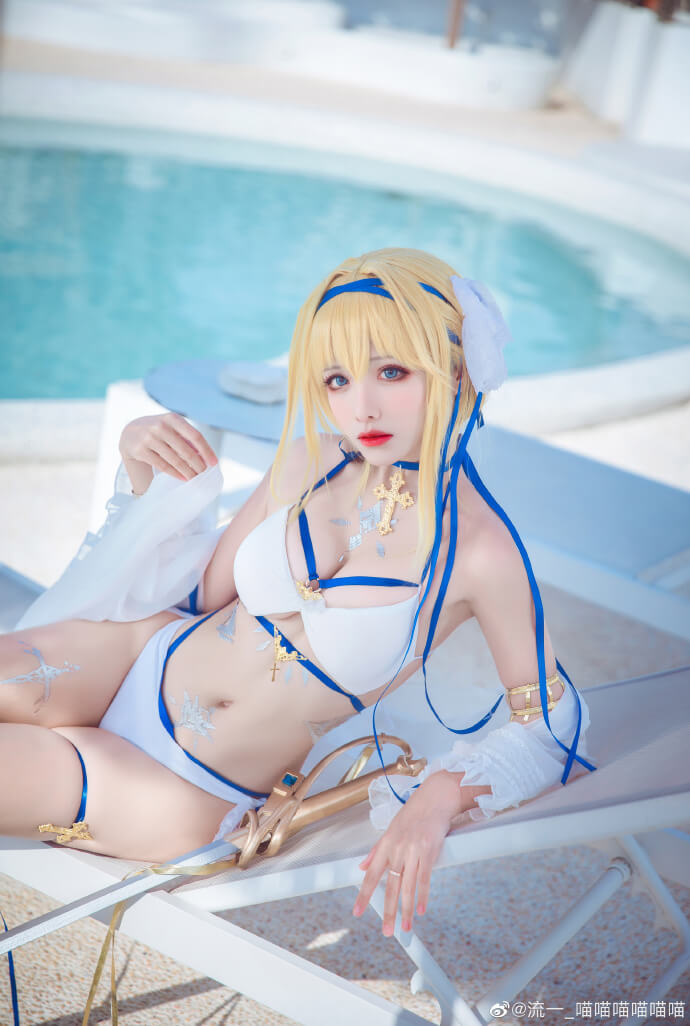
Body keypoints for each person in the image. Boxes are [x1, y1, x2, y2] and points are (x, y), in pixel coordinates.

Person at [0, 247, 593, 937]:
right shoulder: (310, 459)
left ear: (457, 370)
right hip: (134, 656)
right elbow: (200, 597)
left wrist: (438, 798)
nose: (361, 406)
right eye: (337, 379)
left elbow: (553, 727)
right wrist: (140, 463)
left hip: (188, 787)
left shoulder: (481, 553)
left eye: (391, 372)